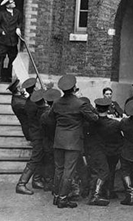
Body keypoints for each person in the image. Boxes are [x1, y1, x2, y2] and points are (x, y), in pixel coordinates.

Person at [51, 74, 99, 209]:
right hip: (73, 141)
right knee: (69, 171)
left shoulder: (56, 102)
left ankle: (56, 196)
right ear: (74, 88)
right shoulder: (80, 103)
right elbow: (94, 118)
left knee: (59, 169)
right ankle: (63, 199)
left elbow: (50, 118)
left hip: (59, 140)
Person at [87, 98, 123, 206]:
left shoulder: (91, 123)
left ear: (96, 108)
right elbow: (119, 139)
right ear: (108, 109)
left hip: (94, 151)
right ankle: (96, 196)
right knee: (105, 172)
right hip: (110, 151)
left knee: (95, 173)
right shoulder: (114, 124)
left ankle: (94, 193)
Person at [15, 79, 46, 195]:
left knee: (41, 155)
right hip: (37, 133)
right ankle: (21, 184)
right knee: (35, 157)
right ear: (34, 87)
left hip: (35, 132)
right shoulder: (35, 102)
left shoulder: (29, 101)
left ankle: (36, 180)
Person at [0, 0, 22, 83]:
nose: (14, 3)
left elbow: (20, 22)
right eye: (12, 3)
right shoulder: (1, 14)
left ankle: (9, 77)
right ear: (7, 6)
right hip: (3, 41)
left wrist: (18, 28)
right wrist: (1, 31)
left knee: (12, 59)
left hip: (13, 41)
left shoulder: (17, 13)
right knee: (1, 58)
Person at [40, 88, 61, 192]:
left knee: (48, 163)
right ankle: (54, 184)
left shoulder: (44, 115)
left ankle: (48, 183)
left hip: (47, 141)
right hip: (56, 141)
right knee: (56, 163)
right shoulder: (58, 115)